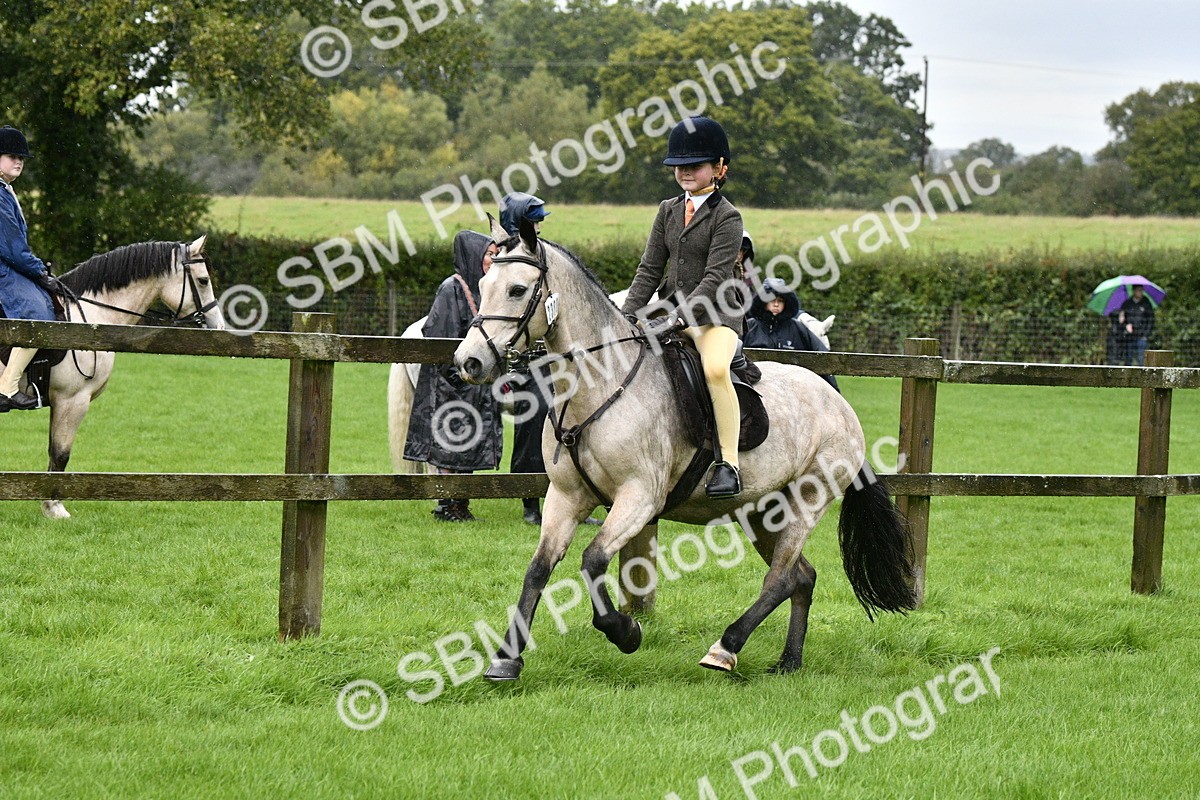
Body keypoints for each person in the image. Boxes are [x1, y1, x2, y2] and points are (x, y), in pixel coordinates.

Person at [621, 116, 745, 498]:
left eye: (695, 165)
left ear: (719, 168)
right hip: (668, 311)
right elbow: (649, 269)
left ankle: (729, 464)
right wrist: (627, 315)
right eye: (679, 165)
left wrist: (678, 318)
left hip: (714, 317)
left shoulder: (728, 217)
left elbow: (714, 278)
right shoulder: (667, 210)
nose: (685, 172)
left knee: (715, 369)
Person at [404, 231, 504, 521]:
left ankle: (460, 504)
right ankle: (447, 505)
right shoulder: (452, 289)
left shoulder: (484, 288)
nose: (494, 259)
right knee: (448, 444)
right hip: (449, 384)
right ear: (474, 255)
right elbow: (439, 337)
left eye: (496, 254)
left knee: (469, 444)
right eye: (489, 254)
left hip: (475, 383)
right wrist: (459, 373)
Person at [499, 192, 552, 524]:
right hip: (519, 359)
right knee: (531, 425)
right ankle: (529, 501)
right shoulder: (506, 260)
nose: (539, 227)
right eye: (533, 221)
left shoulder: (539, 253)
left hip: (548, 357)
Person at [0, 125, 59, 412]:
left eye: (21, 157)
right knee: (37, 314)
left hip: (8, 266)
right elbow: (13, 248)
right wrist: (39, 271)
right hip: (4, 270)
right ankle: (7, 387)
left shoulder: (5, 190)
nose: (19, 161)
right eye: (12, 156)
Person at [743, 277, 840, 392]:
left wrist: (834, 392)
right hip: (755, 386)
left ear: (786, 303)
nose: (776, 304)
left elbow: (822, 356)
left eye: (780, 301)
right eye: (771, 300)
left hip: (793, 388)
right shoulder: (749, 327)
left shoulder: (798, 328)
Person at [1119, 284, 1155, 366]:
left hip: (1142, 336)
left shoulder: (1146, 303)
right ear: (1134, 291)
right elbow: (1121, 319)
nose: (1141, 292)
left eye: (1142, 290)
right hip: (1129, 336)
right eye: (1139, 290)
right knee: (1128, 360)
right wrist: (1126, 325)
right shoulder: (1127, 304)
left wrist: (1146, 334)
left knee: (1142, 360)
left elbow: (1151, 320)